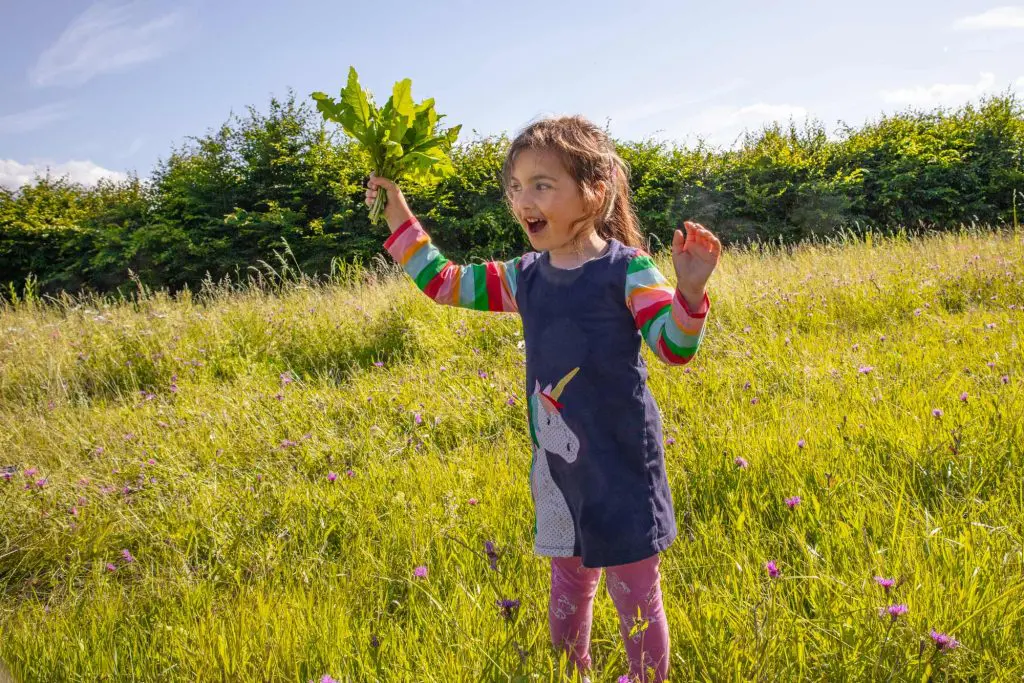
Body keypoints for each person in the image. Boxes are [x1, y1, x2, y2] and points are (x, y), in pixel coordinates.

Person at [367, 115, 721, 682]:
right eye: (515, 187)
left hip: (623, 469)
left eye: (541, 184)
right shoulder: (523, 276)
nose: (522, 199)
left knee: (637, 602)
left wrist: (690, 290)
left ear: (595, 192)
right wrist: (399, 216)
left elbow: (674, 347)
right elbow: (443, 282)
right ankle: (570, 674)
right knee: (567, 591)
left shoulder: (627, 270)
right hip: (558, 470)